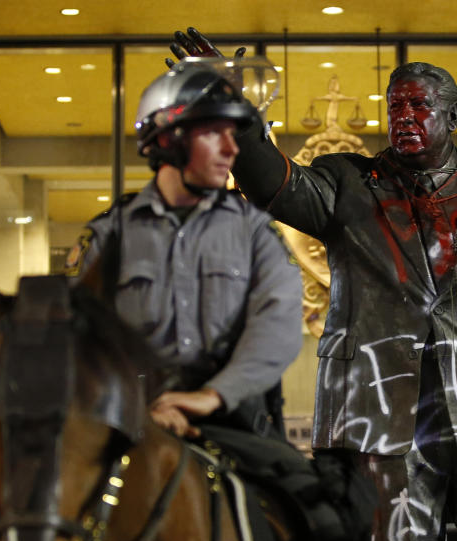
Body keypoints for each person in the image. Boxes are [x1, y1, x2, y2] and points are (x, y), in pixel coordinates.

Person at [169, 29, 457, 541]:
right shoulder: (347, 184)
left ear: (452, 116)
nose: (404, 116)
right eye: (395, 105)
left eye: (419, 106)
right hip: (382, 421)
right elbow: (271, 179)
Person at [65, 59, 303, 440]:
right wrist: (140, 407)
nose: (231, 149)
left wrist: (211, 396)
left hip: (235, 421)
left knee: (318, 499)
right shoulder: (109, 234)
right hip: (129, 421)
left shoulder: (255, 231)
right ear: (166, 139)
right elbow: (80, 339)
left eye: (232, 134)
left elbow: (281, 324)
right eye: (213, 133)